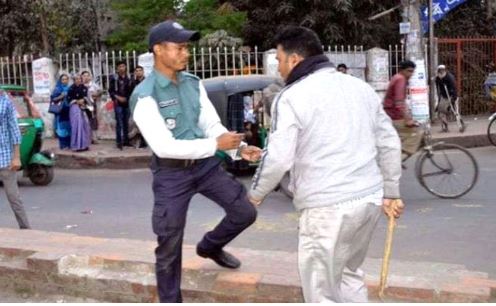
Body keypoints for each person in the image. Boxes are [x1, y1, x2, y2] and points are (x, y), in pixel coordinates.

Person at [247, 26, 404, 303]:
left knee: (321, 291)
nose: (280, 69)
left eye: (280, 61)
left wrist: (255, 194)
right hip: (368, 201)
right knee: (348, 274)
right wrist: (391, 191)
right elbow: (389, 141)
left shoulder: (292, 96)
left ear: (294, 60)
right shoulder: (361, 88)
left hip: (326, 209)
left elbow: (279, 157)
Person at [130, 20, 262, 303]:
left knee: (245, 212)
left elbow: (211, 124)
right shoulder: (144, 96)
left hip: (205, 167)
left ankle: (210, 246)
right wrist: (216, 145)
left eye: (186, 47)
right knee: (169, 245)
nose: (185, 53)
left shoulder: (193, 83)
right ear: (158, 50)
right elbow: (165, 147)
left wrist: (238, 150)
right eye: (179, 47)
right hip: (171, 174)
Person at [0, 90, 31, 229]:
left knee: (14, 198)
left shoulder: (5, 101)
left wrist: (16, 157)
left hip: (5, 157)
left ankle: (26, 230)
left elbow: (14, 129)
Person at [383, 60, 422, 160]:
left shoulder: (396, 77)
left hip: (390, 114)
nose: (411, 74)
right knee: (417, 133)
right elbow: (399, 102)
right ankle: (398, 159)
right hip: (394, 115)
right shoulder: (401, 79)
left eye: (412, 72)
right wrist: (408, 120)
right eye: (409, 71)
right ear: (402, 70)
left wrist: (408, 116)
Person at [109, 61, 132, 150]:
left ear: (125, 67)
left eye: (123, 66)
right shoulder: (114, 79)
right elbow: (110, 91)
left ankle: (126, 141)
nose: (122, 68)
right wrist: (118, 97)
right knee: (119, 122)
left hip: (127, 103)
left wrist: (127, 98)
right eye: (120, 66)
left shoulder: (129, 78)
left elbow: (132, 90)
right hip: (118, 103)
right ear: (117, 69)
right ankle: (119, 142)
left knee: (126, 122)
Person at [67, 75, 91, 151]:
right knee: (76, 126)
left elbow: (87, 97)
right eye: (76, 79)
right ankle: (76, 146)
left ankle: (84, 145)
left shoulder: (84, 88)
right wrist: (77, 101)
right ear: (74, 80)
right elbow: (68, 99)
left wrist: (83, 101)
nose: (78, 80)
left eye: (80, 79)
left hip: (83, 108)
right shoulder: (71, 88)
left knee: (84, 125)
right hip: (74, 108)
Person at [50, 74, 71, 150]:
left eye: (66, 79)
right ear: (60, 80)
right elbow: (53, 99)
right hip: (60, 111)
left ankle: (69, 144)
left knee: (69, 128)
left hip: (68, 110)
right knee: (62, 129)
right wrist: (61, 96)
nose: (65, 81)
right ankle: (63, 145)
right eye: (63, 79)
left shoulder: (69, 88)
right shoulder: (57, 89)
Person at [435, 65, 458, 132]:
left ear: (445, 70)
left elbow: (454, 88)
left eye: (442, 70)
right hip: (443, 96)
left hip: (450, 96)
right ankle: (445, 126)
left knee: (443, 111)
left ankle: (445, 126)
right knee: (441, 111)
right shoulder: (438, 78)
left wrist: (454, 98)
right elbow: (438, 88)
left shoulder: (449, 77)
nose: (441, 72)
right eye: (440, 70)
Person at [81, 71, 102, 144]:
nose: (86, 77)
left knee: (93, 120)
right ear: (82, 77)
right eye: (84, 76)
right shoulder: (80, 85)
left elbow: (100, 91)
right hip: (83, 105)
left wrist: (96, 95)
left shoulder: (93, 85)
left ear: (90, 77)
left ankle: (94, 138)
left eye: (87, 76)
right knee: (84, 121)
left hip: (92, 105)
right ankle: (86, 138)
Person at [130, 66, 147, 148]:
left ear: (143, 72)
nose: (139, 72)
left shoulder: (147, 82)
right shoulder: (132, 83)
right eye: (137, 71)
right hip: (135, 105)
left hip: (146, 105)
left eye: (140, 70)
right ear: (135, 73)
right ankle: (137, 141)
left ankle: (145, 141)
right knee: (136, 124)